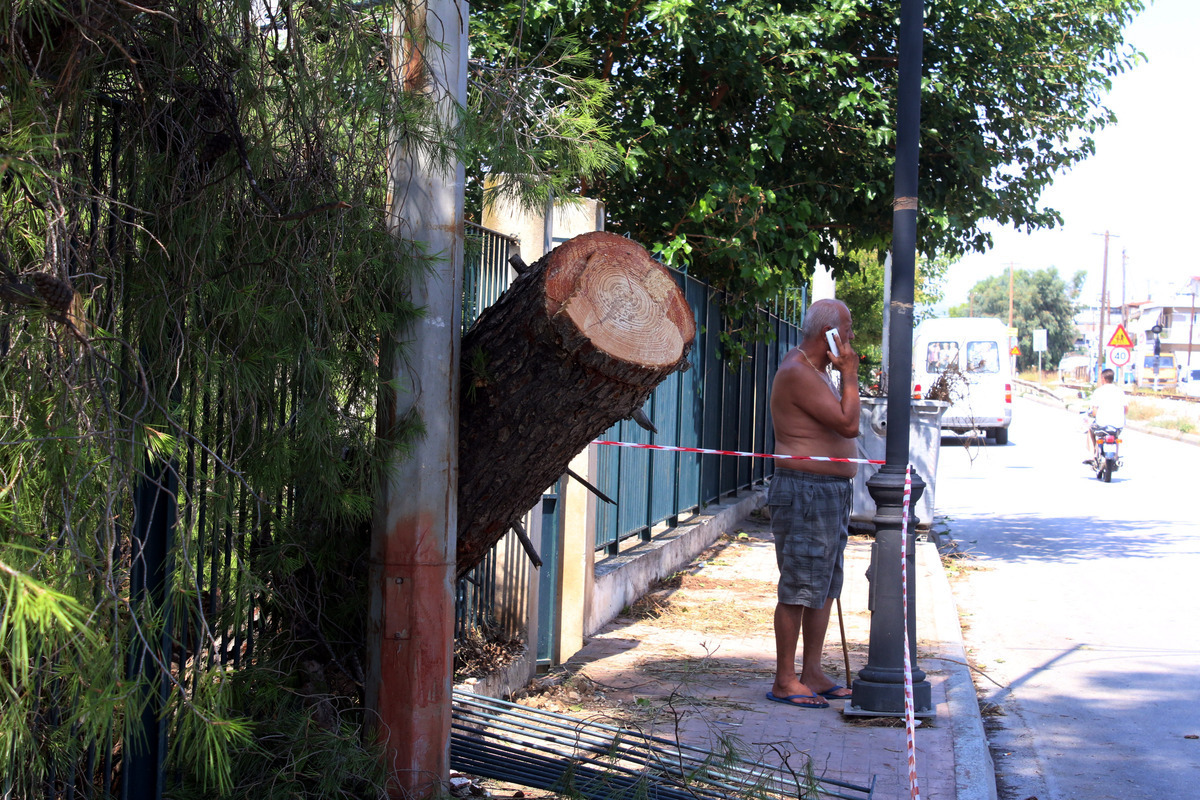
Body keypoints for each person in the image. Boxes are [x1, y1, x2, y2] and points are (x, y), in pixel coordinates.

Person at [765, 298, 860, 709]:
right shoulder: (799, 371)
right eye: (848, 327)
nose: (853, 336)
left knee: (823, 587)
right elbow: (848, 422)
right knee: (800, 585)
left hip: (828, 492)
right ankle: (785, 679)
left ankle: (813, 671)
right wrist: (852, 374)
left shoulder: (817, 369)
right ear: (830, 334)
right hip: (806, 491)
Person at [1083, 368, 1127, 462]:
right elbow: (1126, 409)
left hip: (1102, 425)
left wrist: (1093, 414)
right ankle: (1116, 456)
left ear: (1103, 378)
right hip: (1118, 425)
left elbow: (1094, 412)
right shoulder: (1120, 391)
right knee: (1115, 436)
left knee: (1090, 431)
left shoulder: (1098, 392)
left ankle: (1092, 456)